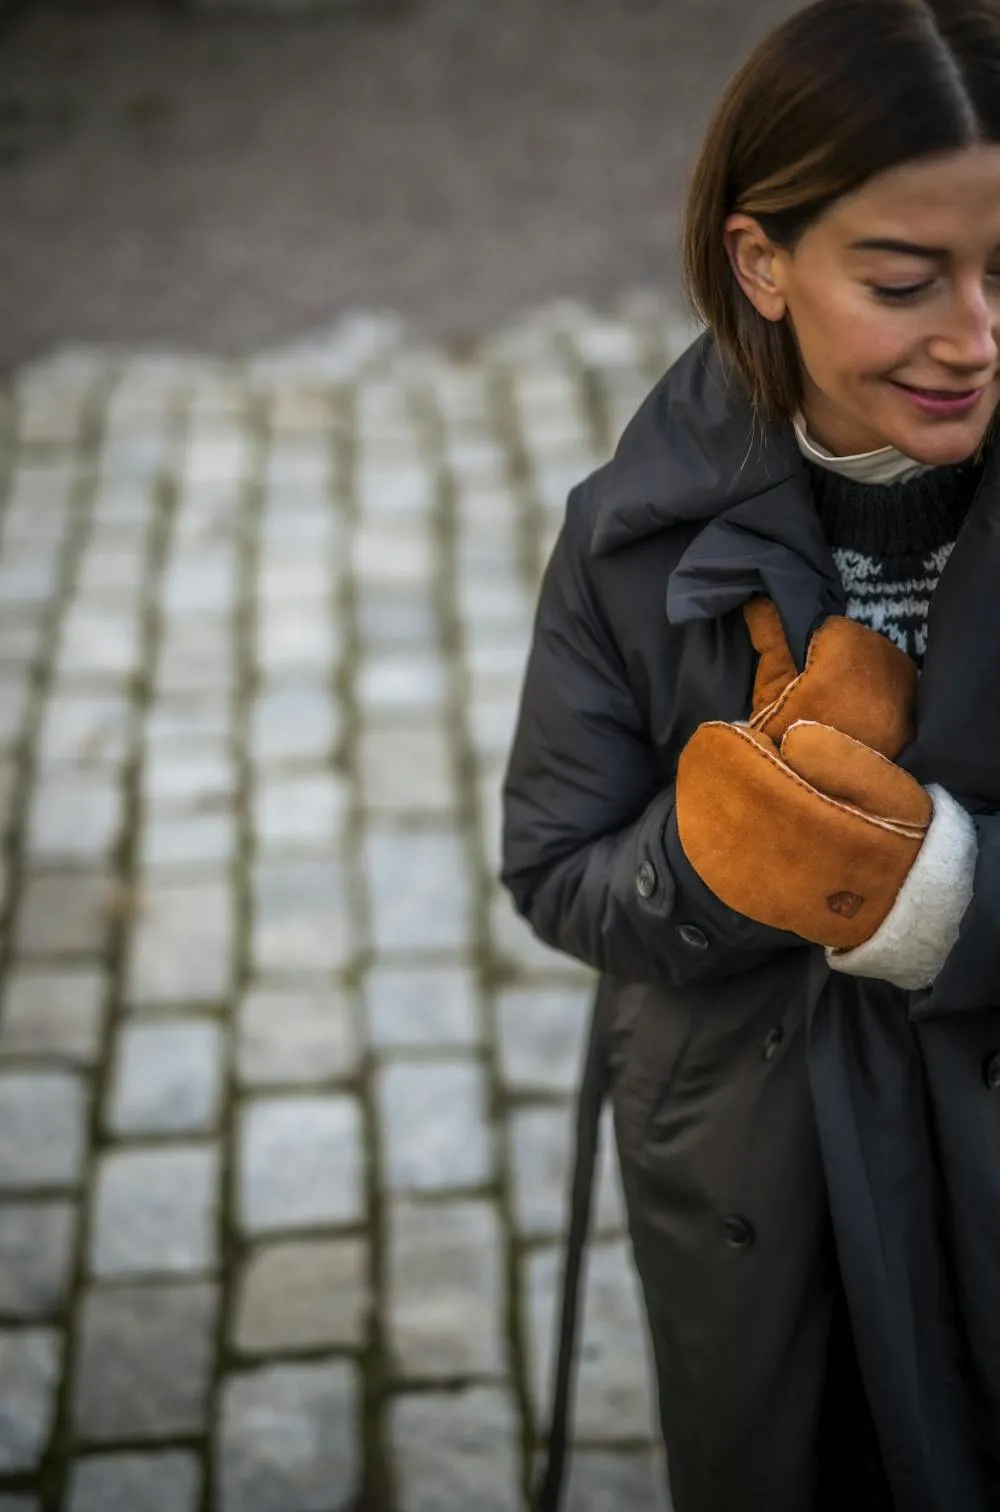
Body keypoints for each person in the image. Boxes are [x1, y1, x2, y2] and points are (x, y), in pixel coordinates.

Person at [501, 2, 1000, 1509]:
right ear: (761, 261)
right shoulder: (629, 537)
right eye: (906, 280)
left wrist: (941, 897)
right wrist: (722, 856)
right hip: (751, 1184)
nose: (977, 337)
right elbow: (556, 869)